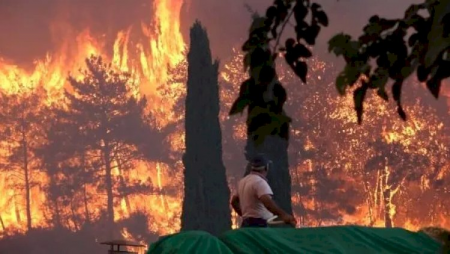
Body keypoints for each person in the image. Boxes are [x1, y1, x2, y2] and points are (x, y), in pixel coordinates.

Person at [231, 154, 297, 228]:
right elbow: (268, 203)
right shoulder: (260, 182)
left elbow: (234, 202)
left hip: (246, 224)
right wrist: (284, 215)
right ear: (266, 167)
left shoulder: (242, 181)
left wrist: (244, 215)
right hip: (259, 225)